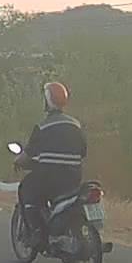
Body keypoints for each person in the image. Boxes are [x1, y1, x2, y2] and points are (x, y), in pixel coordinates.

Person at [15, 81, 87, 249]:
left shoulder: (43, 126)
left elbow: (28, 153)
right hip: (73, 178)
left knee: (27, 190)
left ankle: (38, 232)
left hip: (49, 177)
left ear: (47, 101)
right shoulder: (76, 125)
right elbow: (83, 152)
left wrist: (18, 160)